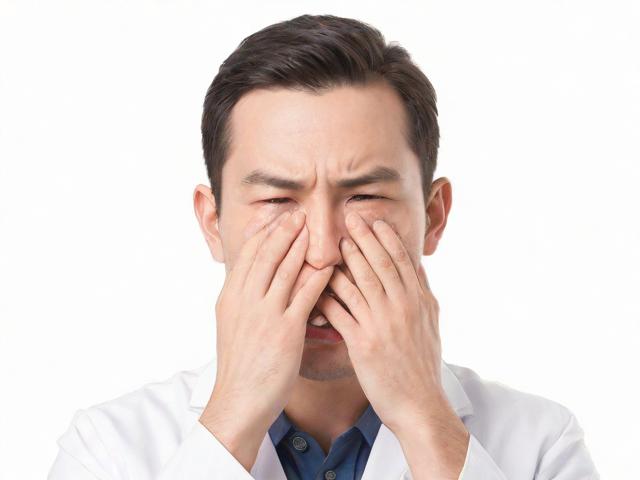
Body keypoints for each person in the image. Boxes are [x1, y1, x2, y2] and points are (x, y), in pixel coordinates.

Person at [48, 14, 599, 480]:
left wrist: (425, 419)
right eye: (277, 200)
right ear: (213, 223)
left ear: (433, 216)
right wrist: (233, 416)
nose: (322, 250)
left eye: (364, 196)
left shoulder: (542, 446)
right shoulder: (106, 449)